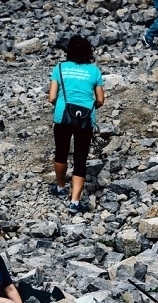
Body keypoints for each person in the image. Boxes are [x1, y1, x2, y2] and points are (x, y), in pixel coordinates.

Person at [48, 35, 104, 214]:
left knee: (61, 151)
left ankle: (60, 187)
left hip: (63, 116)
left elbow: (51, 97)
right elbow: (101, 100)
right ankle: (75, 202)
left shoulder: (60, 68)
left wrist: (61, 104)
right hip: (86, 118)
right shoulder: (94, 71)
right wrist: (91, 107)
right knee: (80, 157)